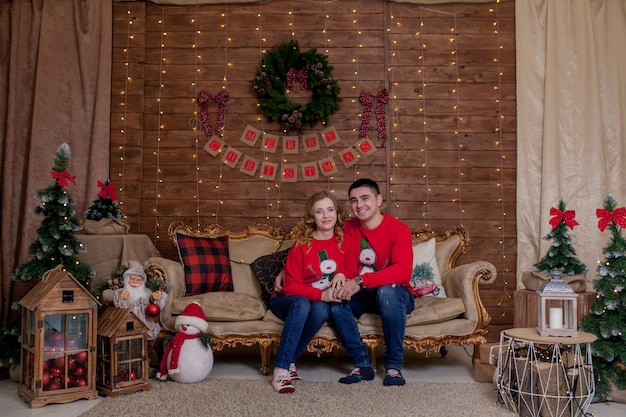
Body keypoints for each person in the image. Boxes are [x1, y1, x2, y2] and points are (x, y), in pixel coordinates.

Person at [332, 178, 414, 386]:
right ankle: (362, 365)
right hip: (364, 294)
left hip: (397, 295)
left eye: (365, 198)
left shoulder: (398, 229)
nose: (359, 205)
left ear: (379, 200)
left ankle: (394, 367)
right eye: (354, 200)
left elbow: (403, 272)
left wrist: (361, 280)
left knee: (387, 291)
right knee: (335, 300)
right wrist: (286, 271)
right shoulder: (347, 228)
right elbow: (320, 247)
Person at [270, 190, 349, 393]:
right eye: (319, 212)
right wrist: (320, 295)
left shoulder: (344, 240)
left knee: (322, 310)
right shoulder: (302, 244)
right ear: (311, 217)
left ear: (338, 212)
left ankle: (291, 361)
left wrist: (343, 273)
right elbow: (290, 287)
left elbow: (354, 265)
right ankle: (281, 370)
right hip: (287, 300)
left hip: (315, 303)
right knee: (302, 303)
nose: (326, 216)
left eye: (330, 210)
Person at [102, 260, 168, 341]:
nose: (135, 283)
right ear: (126, 280)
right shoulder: (122, 291)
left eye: (138, 280)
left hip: (144, 325)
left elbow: (156, 306)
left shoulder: (146, 293)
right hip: (125, 325)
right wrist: (120, 295)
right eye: (132, 279)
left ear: (143, 283)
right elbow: (105, 295)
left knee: (145, 340)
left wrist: (158, 297)